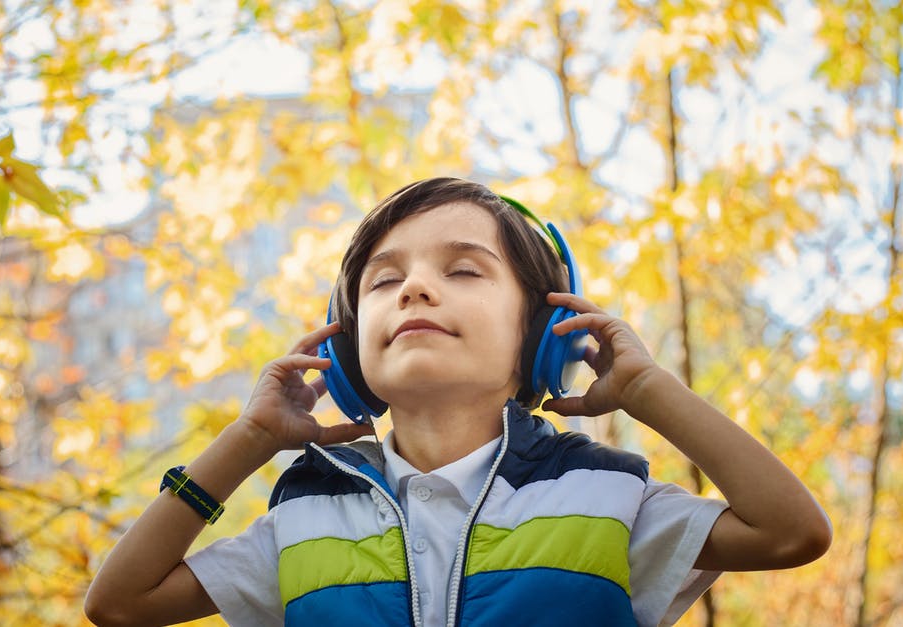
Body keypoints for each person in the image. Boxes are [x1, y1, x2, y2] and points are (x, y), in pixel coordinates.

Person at [85, 177, 832, 627]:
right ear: (348, 353)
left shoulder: (606, 500)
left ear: (541, 331)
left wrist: (646, 391)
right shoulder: (302, 521)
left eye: (465, 270)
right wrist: (248, 439)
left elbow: (791, 531)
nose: (413, 286)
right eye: (384, 280)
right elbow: (118, 601)